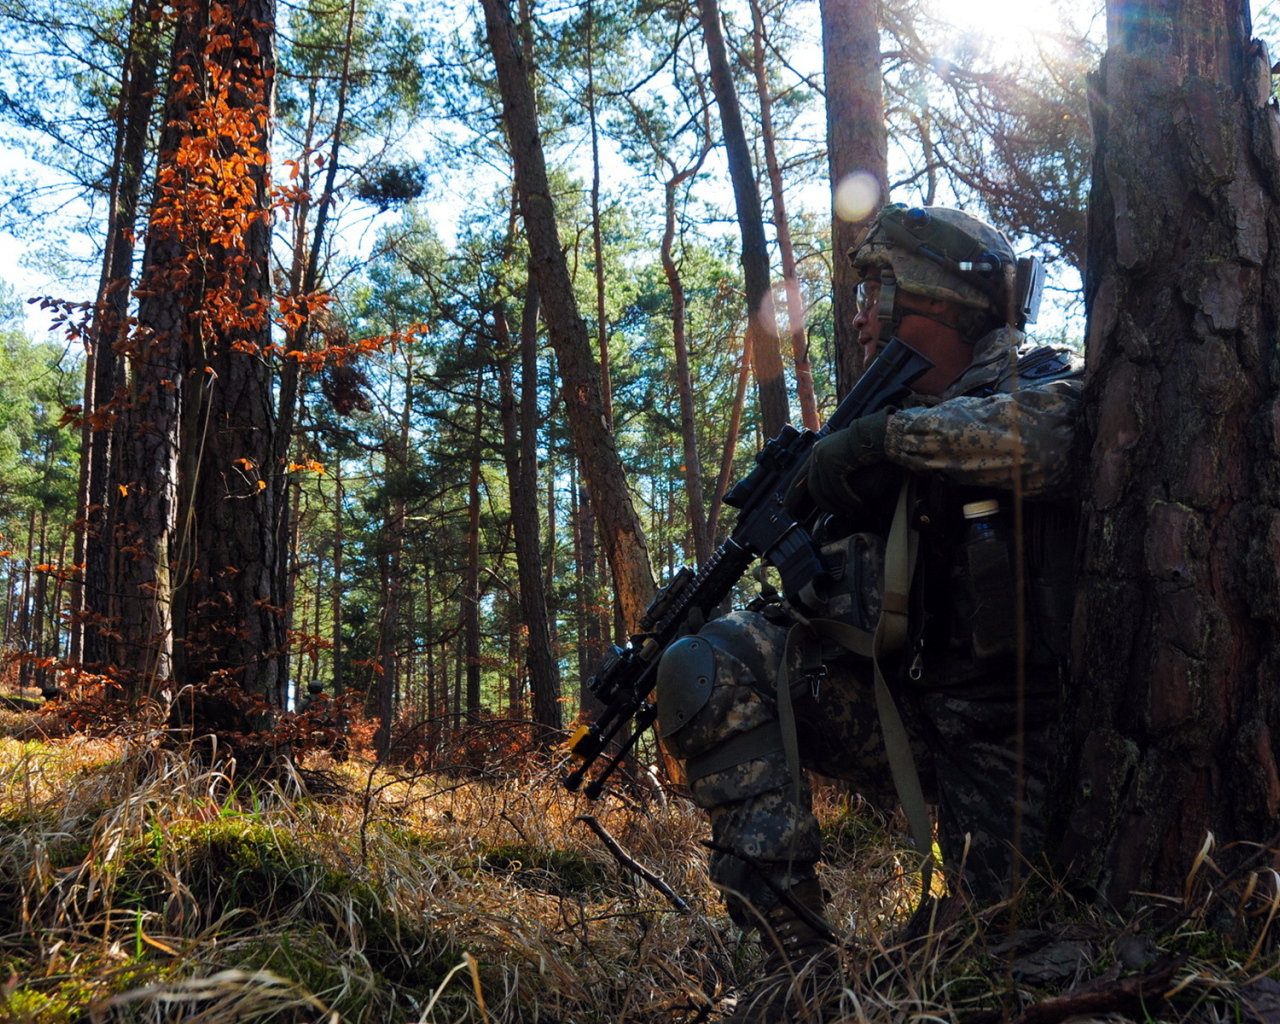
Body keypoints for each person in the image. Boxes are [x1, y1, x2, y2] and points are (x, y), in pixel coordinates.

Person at [654, 204, 1083, 1022]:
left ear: (929, 302)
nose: (856, 320)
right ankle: (793, 972)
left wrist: (883, 442)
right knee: (711, 663)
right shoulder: (860, 440)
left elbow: (1058, 436)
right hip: (910, 725)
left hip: (1019, 754)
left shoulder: (1041, 384)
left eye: (873, 295)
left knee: (982, 956)